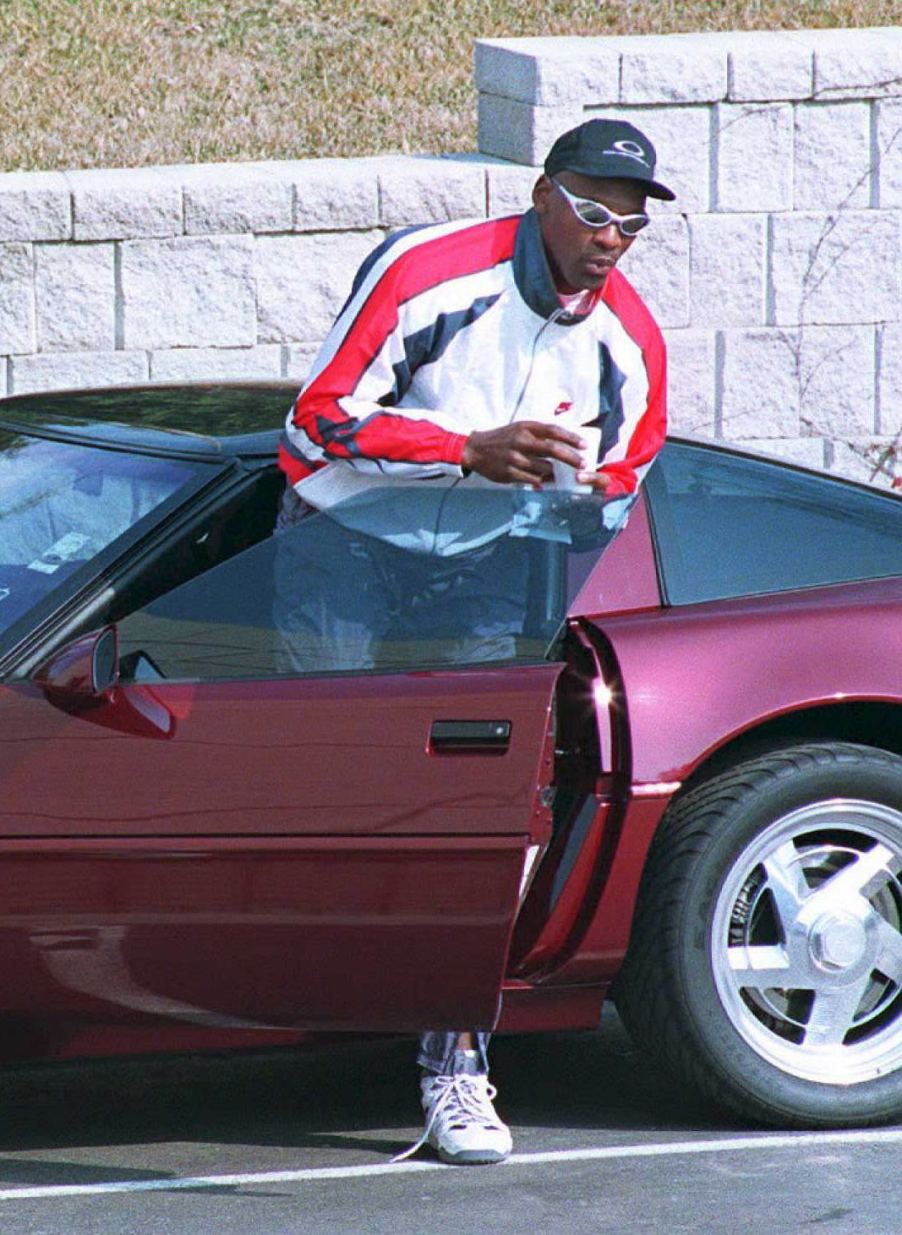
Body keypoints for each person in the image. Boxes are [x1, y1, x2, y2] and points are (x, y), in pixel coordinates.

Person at [276, 117, 675, 1165]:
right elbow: (313, 422)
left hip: (488, 567)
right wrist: (465, 450)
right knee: (338, 793)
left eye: (629, 224)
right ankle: (293, 1002)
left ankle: (453, 1062)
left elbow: (629, 471)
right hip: (347, 541)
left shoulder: (625, 339)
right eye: (591, 211)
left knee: (478, 818)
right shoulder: (430, 272)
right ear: (542, 196)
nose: (608, 237)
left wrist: (574, 491)